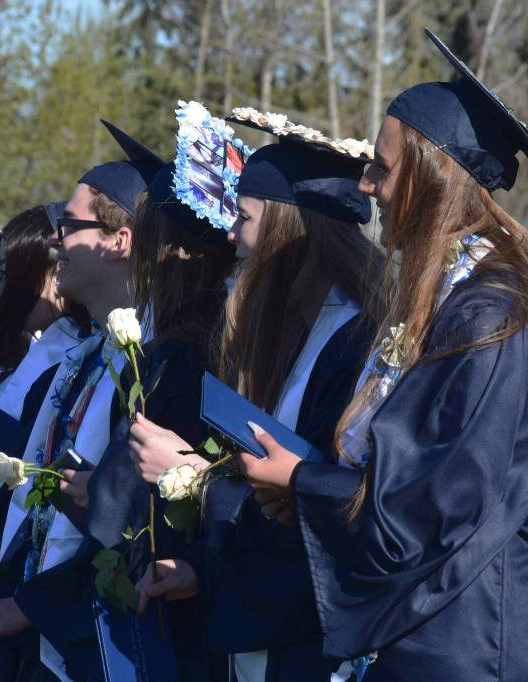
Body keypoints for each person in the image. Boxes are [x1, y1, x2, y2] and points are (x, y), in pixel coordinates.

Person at [214, 29, 528, 679]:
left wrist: (299, 481)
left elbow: (426, 506)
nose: (366, 186)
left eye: (381, 166)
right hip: (458, 632)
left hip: (490, 644)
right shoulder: (457, 302)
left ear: (432, 176)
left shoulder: (493, 320)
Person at [131, 107, 385, 680]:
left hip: (312, 647)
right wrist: (199, 566)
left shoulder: (357, 345)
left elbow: (322, 506)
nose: (228, 235)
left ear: (287, 229)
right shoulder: (292, 334)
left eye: (243, 218)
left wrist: (196, 477)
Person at [0, 119, 163, 680]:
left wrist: (18, 610)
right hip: (31, 635)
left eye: (69, 225)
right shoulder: (79, 359)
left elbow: (132, 531)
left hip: (95, 645)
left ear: (120, 242)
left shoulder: (159, 365)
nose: (54, 239)